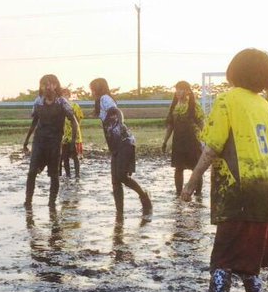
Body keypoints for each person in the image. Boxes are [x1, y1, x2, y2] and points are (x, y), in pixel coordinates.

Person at [180, 48, 268, 292]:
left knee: (222, 264)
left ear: (234, 71)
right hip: (267, 194)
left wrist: (191, 181)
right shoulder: (266, 106)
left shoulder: (227, 100)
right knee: (250, 266)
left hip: (238, 192)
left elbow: (212, 147)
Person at [89, 78, 152, 217]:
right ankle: (120, 213)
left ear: (98, 89)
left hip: (124, 141)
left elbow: (116, 111)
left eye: (93, 89)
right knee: (115, 181)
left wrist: (121, 122)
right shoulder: (101, 102)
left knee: (121, 176)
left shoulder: (105, 98)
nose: (92, 92)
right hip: (116, 145)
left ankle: (144, 196)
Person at [23, 75, 79, 207]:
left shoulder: (62, 102)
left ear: (55, 85)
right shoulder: (38, 101)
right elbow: (34, 121)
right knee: (32, 172)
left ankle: (52, 203)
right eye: (44, 84)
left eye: (50, 84)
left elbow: (74, 122)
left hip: (55, 142)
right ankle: (28, 202)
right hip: (39, 141)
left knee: (54, 174)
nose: (47, 87)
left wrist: (72, 143)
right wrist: (26, 141)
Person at [162, 81, 204, 195]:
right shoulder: (174, 106)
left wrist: (205, 140)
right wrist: (165, 141)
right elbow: (170, 126)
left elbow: (201, 124)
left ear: (188, 91)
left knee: (196, 168)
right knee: (178, 168)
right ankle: (178, 194)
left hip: (193, 142)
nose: (178, 92)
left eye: (181, 89)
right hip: (178, 142)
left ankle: (198, 194)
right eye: (177, 89)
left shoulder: (194, 106)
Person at [60, 88, 84, 178]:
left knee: (75, 156)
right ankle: (68, 175)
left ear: (69, 95)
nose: (64, 96)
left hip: (75, 134)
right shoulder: (61, 106)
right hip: (65, 135)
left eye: (66, 94)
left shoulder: (75, 106)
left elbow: (77, 120)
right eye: (62, 94)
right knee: (65, 157)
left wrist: (75, 132)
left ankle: (77, 175)